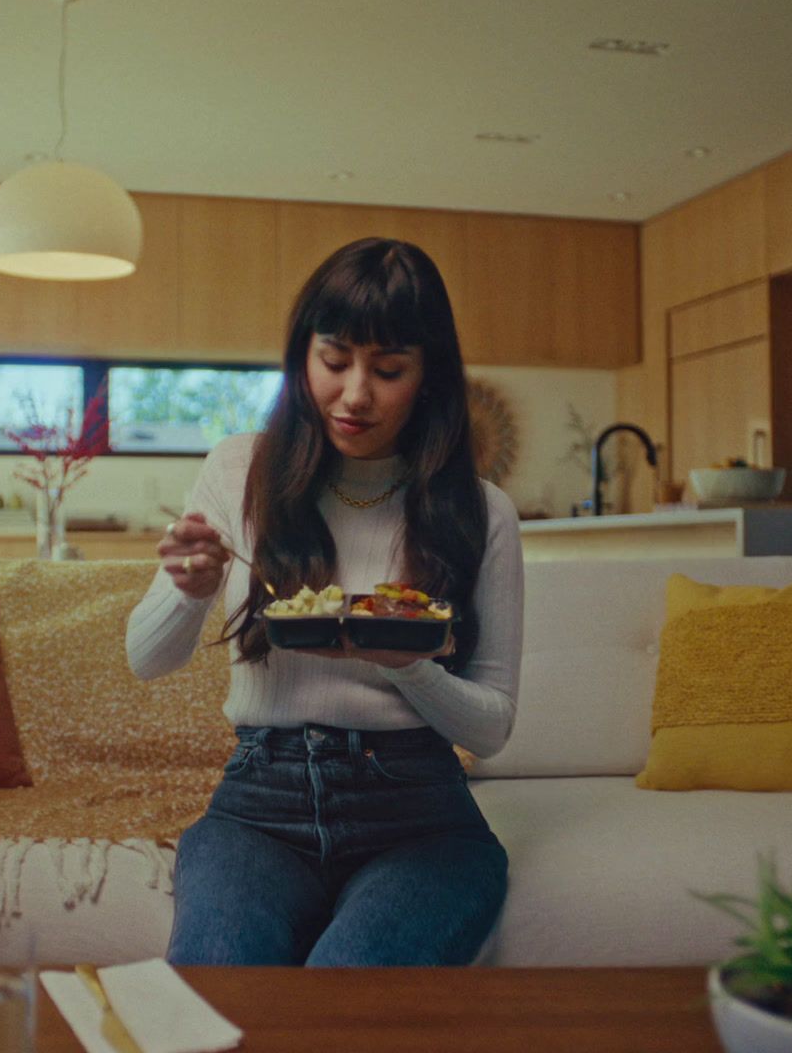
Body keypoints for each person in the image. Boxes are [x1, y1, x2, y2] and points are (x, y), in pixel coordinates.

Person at [125, 237, 524, 966]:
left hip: (420, 817)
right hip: (258, 806)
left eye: (390, 369)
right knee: (220, 991)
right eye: (335, 361)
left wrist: (407, 666)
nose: (357, 393)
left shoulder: (483, 511)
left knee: (345, 997)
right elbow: (146, 660)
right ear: (302, 356)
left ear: (429, 377)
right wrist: (191, 590)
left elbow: (493, 725)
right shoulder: (239, 469)